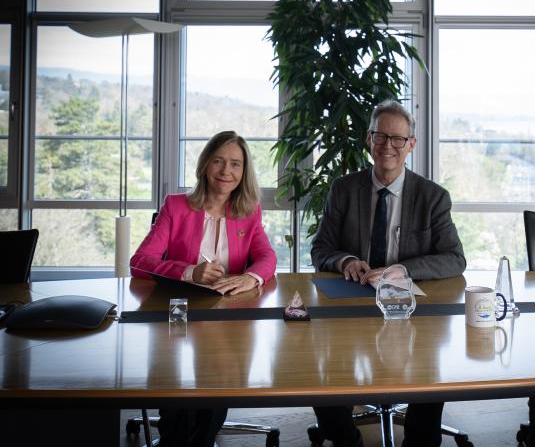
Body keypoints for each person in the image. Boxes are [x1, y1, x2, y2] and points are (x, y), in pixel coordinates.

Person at [311, 100, 466, 447]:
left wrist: (401, 269)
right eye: (381, 136)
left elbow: (455, 258)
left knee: (430, 369)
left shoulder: (433, 197)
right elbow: (321, 249)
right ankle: (345, 438)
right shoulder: (344, 189)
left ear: (411, 144)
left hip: (410, 309)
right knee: (319, 368)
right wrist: (346, 260)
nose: (388, 146)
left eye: (398, 139)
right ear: (369, 139)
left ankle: (421, 442)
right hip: (349, 304)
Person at [131, 130, 277, 447]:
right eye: (219, 161)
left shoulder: (249, 211)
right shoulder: (177, 206)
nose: (226, 171)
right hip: (178, 311)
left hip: (225, 314)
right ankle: (174, 437)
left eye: (235, 164)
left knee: (220, 377)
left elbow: (267, 256)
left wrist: (250, 277)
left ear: (244, 171)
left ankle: (203, 439)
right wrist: (189, 272)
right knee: (177, 383)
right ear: (205, 165)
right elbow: (140, 261)